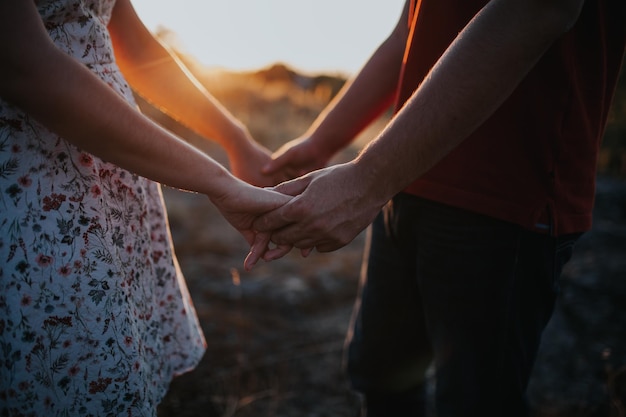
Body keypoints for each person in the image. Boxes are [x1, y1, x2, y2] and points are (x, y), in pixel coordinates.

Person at [249, 0, 626, 415]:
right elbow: (407, 33)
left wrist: (367, 180)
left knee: (474, 402)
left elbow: (539, 9)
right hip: (405, 176)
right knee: (381, 379)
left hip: (503, 200)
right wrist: (322, 142)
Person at [0, 1, 288, 416]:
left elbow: (135, 47)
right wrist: (217, 182)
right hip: (33, 195)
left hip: (112, 184)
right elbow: (22, 62)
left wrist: (235, 139)